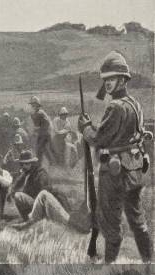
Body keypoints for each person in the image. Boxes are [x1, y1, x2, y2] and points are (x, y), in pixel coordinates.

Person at [78, 50, 152, 263]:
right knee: (138, 220)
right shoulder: (134, 104)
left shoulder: (116, 106)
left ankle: (108, 266)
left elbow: (99, 139)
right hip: (134, 169)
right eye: (106, 80)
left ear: (122, 80)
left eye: (112, 79)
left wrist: (85, 127)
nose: (108, 84)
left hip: (115, 173)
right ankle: (149, 263)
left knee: (110, 219)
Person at [9, 149, 54, 220]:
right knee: (17, 195)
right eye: (22, 164)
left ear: (32, 163)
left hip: (40, 205)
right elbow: (17, 183)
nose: (24, 166)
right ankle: (27, 219)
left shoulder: (41, 173)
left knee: (18, 196)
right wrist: (12, 191)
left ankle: (33, 219)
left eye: (27, 164)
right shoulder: (27, 172)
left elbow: (45, 192)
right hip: (33, 203)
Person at [29, 96, 54, 164]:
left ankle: (38, 164)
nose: (33, 105)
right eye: (32, 104)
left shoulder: (40, 113)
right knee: (44, 149)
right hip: (42, 134)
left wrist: (39, 129)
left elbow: (47, 124)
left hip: (45, 134)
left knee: (39, 149)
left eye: (34, 104)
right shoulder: (35, 113)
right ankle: (51, 162)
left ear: (38, 105)